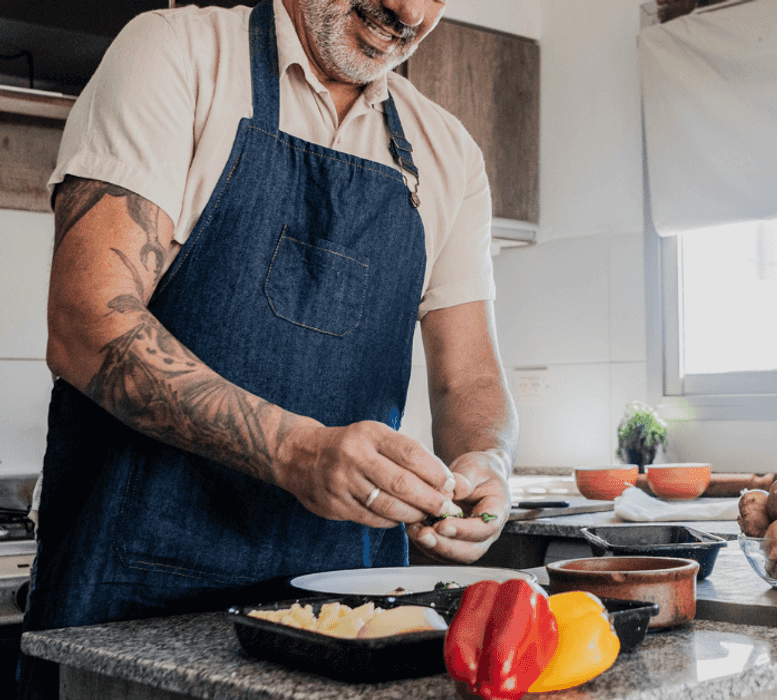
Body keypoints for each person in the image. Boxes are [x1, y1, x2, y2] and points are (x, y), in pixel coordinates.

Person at [17, 0, 517, 696]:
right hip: (135, 605)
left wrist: (486, 460)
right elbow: (87, 325)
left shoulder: (448, 151)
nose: (408, 9)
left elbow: (470, 381)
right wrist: (295, 451)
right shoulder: (177, 53)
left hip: (352, 619)